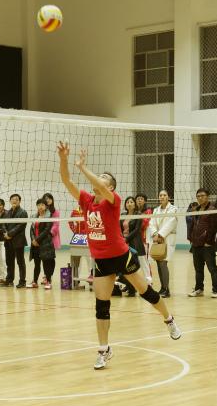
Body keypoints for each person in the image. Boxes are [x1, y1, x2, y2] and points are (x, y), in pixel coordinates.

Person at [57, 141, 180, 370]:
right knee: (101, 306)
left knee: (146, 292)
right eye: (100, 176)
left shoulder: (113, 200)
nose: (100, 179)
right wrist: (63, 158)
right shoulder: (86, 200)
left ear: (111, 186)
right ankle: (104, 350)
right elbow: (66, 180)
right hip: (101, 260)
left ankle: (169, 319)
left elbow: (98, 185)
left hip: (122, 256)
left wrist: (82, 167)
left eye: (104, 177)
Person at [188, 188, 217, 298]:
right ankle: (199, 289)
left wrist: (209, 241)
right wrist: (191, 238)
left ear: (207, 197)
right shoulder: (196, 209)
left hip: (207, 245)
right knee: (198, 269)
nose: (200, 198)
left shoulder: (212, 210)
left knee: (212, 268)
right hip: (196, 244)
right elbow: (193, 225)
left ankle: (216, 290)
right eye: (198, 196)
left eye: (202, 195)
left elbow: (214, 227)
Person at [148, 190, 177, 298]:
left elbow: (171, 223)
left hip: (167, 239)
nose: (162, 197)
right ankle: (162, 288)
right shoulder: (156, 210)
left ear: (168, 197)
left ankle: (166, 289)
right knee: (159, 264)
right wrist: (155, 234)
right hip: (157, 240)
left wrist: (160, 235)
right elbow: (151, 223)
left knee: (163, 264)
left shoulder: (174, 209)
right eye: (160, 195)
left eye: (164, 195)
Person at [28, 198, 55, 289]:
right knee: (37, 264)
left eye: (42, 205)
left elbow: (46, 230)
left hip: (45, 244)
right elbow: (31, 230)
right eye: (39, 205)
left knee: (46, 264)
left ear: (46, 206)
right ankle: (35, 282)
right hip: (35, 245)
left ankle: (48, 281)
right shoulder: (34, 216)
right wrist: (33, 239)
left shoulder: (49, 216)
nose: (40, 207)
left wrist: (37, 240)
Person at [2, 194, 28, 288]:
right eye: (12, 199)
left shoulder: (23, 212)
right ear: (10, 201)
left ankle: (22, 281)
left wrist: (9, 234)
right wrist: (6, 233)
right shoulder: (7, 213)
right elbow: (3, 224)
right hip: (8, 241)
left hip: (18, 241)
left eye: (16, 199)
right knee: (9, 262)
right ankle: (9, 280)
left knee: (20, 262)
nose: (14, 201)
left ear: (19, 201)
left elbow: (20, 226)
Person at [122, 196, 147, 292]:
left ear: (134, 204)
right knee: (125, 265)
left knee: (135, 266)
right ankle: (129, 286)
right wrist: (121, 239)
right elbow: (120, 228)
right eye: (127, 202)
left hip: (134, 242)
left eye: (131, 202)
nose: (129, 204)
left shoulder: (138, 214)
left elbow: (137, 230)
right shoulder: (123, 215)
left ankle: (140, 286)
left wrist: (126, 239)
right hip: (123, 242)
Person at [69, 201, 92, 285]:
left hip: (87, 237)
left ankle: (91, 276)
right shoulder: (74, 211)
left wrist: (89, 232)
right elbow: (70, 221)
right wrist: (74, 230)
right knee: (77, 258)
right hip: (78, 237)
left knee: (89, 258)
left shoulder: (89, 211)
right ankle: (76, 277)